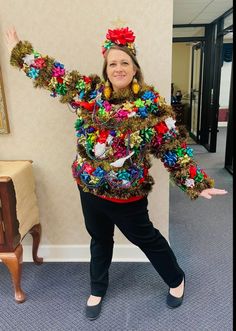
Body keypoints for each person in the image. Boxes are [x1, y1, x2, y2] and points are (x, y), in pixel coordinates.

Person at [5, 26, 227, 320]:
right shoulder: (89, 94)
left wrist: (196, 183)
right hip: (89, 190)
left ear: (135, 68)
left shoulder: (151, 107)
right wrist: (22, 52)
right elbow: (54, 78)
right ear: (106, 68)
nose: (118, 68)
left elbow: (172, 148)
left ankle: (176, 279)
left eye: (124, 62)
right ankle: (97, 288)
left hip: (128, 196)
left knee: (146, 239)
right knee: (99, 240)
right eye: (113, 63)